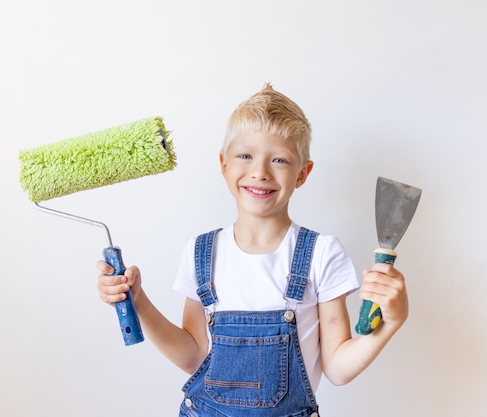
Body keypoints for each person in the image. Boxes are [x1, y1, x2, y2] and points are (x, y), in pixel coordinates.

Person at [96, 83, 409, 417]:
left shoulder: (321, 253)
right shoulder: (202, 252)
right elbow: (193, 357)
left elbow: (337, 368)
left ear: (303, 173)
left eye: (279, 160)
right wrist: (137, 299)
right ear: (224, 164)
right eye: (245, 156)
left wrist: (390, 323)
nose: (260, 172)